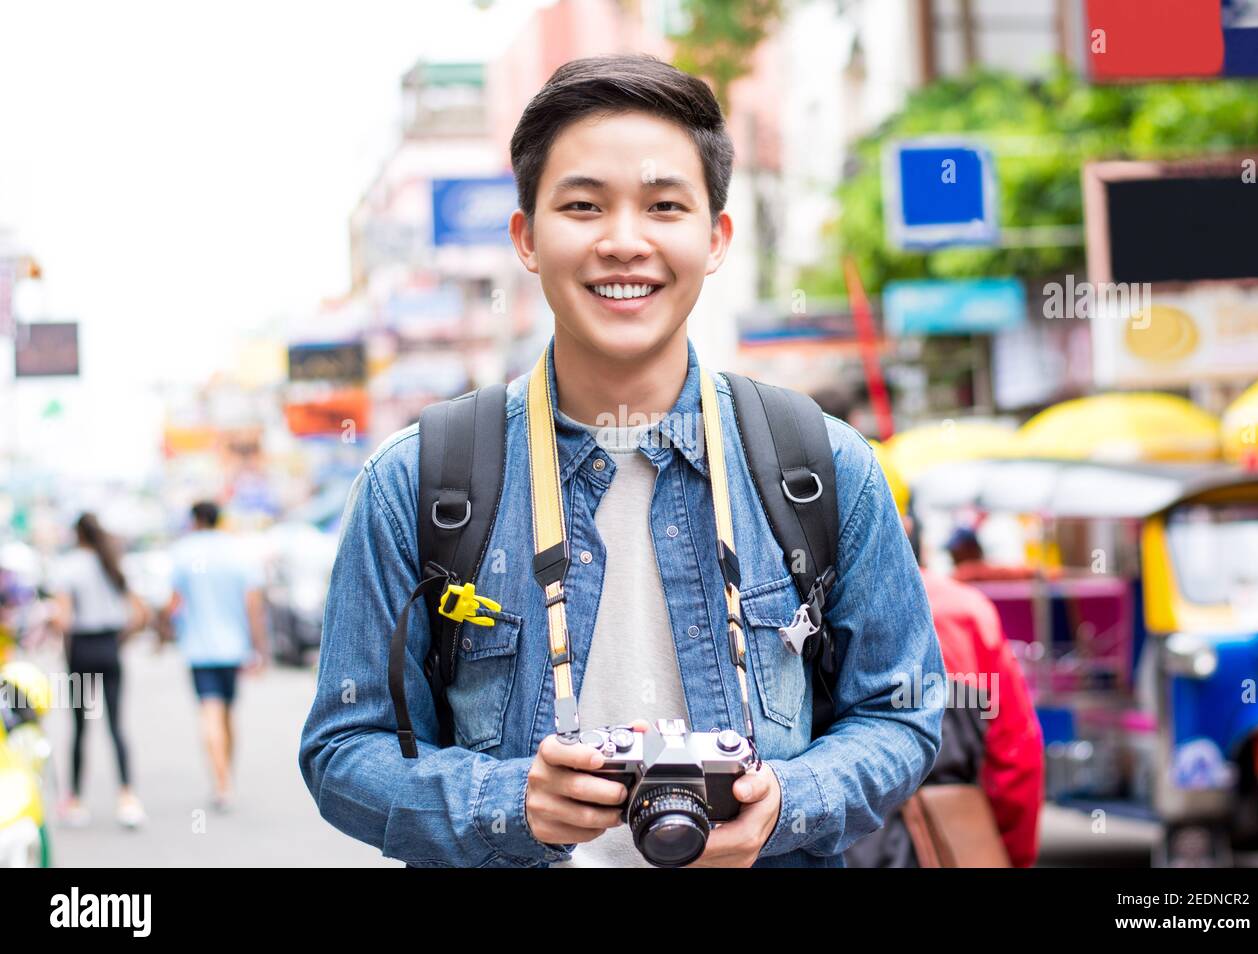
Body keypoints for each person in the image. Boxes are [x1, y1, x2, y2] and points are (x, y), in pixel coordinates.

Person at [299, 53, 944, 868]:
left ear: (714, 239)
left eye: (664, 206)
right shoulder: (419, 482)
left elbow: (904, 710)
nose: (624, 242)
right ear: (527, 238)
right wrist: (510, 802)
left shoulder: (821, 466)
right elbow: (342, 749)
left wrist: (788, 804)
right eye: (583, 206)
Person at [846, 452, 1044, 867]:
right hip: (950, 840)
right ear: (906, 527)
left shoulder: (793, 620)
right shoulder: (964, 612)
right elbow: (1016, 760)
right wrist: (1003, 851)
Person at [166, 501, 268, 811]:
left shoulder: (183, 552)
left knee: (209, 712)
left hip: (198, 649)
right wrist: (259, 647)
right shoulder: (238, 552)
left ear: (195, 521)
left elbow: (173, 603)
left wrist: (167, 631)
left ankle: (221, 782)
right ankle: (227, 776)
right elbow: (253, 605)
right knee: (227, 713)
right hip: (234, 648)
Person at [48, 512, 149, 828]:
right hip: (109, 648)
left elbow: (63, 619)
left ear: (76, 535)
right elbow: (140, 613)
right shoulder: (112, 563)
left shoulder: (68, 566)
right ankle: (127, 798)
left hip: (80, 651)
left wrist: (49, 622)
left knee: (79, 729)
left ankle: (75, 800)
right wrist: (121, 638)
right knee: (116, 725)